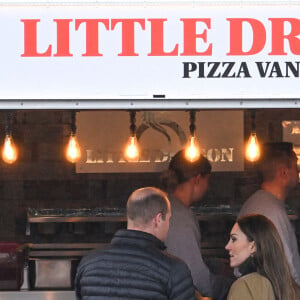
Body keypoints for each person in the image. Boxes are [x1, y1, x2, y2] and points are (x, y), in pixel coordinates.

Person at [75, 186, 196, 300]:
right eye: (169, 219)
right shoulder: (173, 269)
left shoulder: (88, 263)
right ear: (158, 220)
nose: (169, 226)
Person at [160, 150, 233, 300]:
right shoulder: (181, 219)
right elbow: (197, 278)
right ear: (198, 179)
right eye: (208, 180)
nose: (208, 186)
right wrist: (231, 285)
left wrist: (215, 265)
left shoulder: (168, 207)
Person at [238, 142, 300, 285]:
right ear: (284, 172)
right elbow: (287, 269)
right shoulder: (272, 212)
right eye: (295, 167)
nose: (298, 173)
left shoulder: (254, 202)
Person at [225, 214, 300, 300]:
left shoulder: (244, 286)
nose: (227, 246)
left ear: (253, 246)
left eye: (234, 239)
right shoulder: (292, 289)